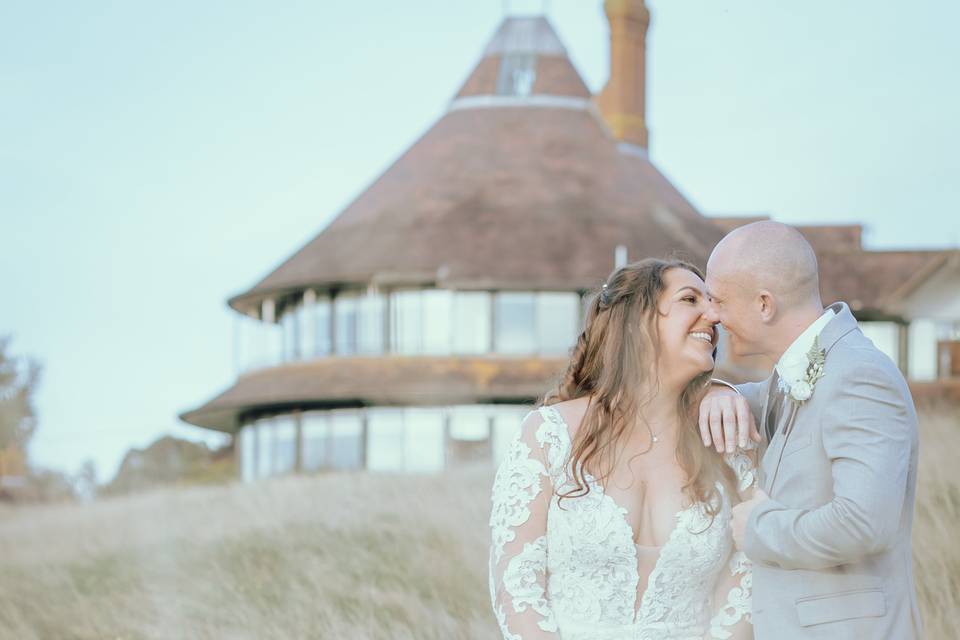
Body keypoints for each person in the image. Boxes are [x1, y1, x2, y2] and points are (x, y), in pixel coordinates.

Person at [489, 258, 756, 640]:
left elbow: (746, 578)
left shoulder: (725, 439)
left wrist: (725, 388)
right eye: (690, 299)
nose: (713, 315)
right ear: (638, 319)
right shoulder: (549, 434)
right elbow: (516, 581)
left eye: (710, 301)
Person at [698, 221, 923, 639]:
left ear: (765, 304)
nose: (710, 315)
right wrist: (717, 389)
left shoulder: (858, 375)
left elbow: (863, 523)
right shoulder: (798, 373)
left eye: (719, 300)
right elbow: (751, 399)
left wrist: (759, 529)